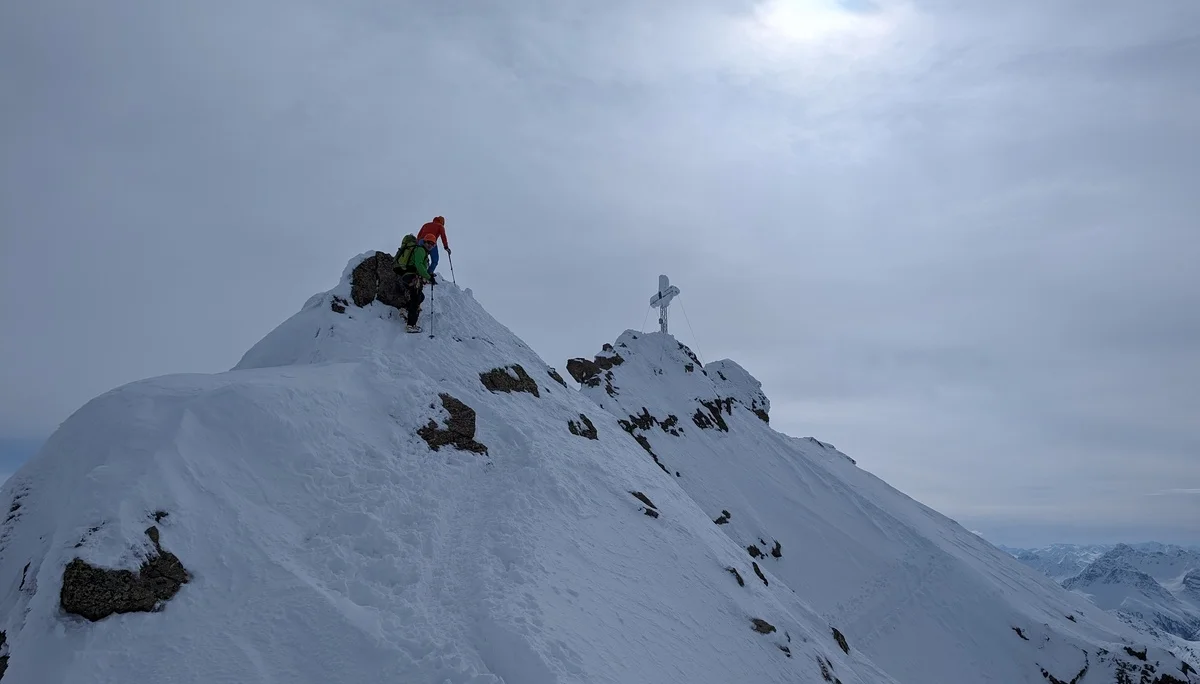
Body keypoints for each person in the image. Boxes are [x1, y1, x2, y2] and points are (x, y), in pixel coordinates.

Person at [393, 235, 437, 333]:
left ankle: (405, 310)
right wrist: (429, 277)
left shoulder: (422, 251)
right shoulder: (420, 250)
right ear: (424, 242)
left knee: (420, 297)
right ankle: (411, 325)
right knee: (416, 299)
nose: (430, 245)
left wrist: (428, 275)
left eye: (432, 244)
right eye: (428, 242)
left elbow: (420, 266)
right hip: (412, 276)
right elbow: (419, 265)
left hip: (408, 276)